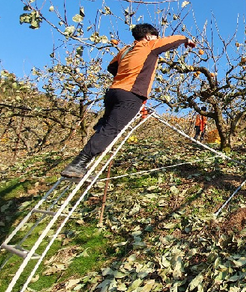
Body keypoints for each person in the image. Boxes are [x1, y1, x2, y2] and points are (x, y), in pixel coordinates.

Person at [61, 24, 195, 178]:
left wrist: (126, 73)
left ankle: (87, 155)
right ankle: (78, 164)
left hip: (114, 92)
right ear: (148, 36)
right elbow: (174, 40)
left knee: (105, 128)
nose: (157, 39)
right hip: (131, 95)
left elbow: (111, 67)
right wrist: (186, 39)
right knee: (111, 130)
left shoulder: (125, 50)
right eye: (155, 36)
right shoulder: (150, 45)